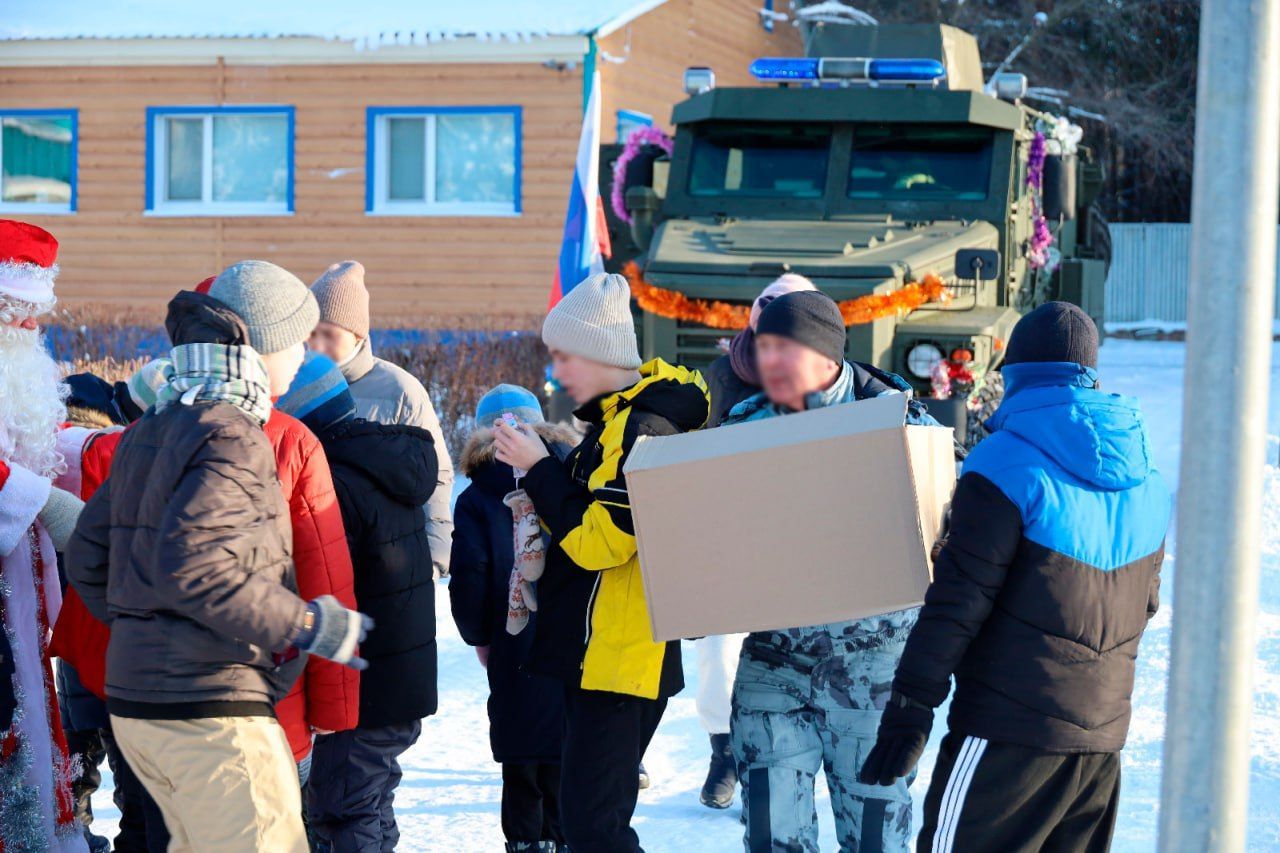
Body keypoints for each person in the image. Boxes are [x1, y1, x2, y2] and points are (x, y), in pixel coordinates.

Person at [66, 261, 371, 852]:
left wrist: (144, 630)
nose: (307, 358)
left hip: (140, 707)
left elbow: (88, 553)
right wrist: (314, 629)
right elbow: (229, 569)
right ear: (261, 347)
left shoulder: (150, 425)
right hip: (219, 707)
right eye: (299, 343)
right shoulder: (243, 433)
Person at [860, 302, 1171, 853]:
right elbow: (1144, 604)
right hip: (1100, 746)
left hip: (1006, 736)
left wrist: (910, 710)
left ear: (1016, 375)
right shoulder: (1147, 477)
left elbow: (957, 604)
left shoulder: (1003, 462)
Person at [492, 272, 710, 853]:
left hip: (619, 656)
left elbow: (602, 542)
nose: (556, 372)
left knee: (595, 829)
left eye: (563, 357)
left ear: (596, 351)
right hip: (600, 653)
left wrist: (539, 469)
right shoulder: (617, 420)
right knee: (587, 819)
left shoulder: (645, 427)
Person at [721, 290, 936, 852]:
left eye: (781, 347)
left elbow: (943, 537)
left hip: (872, 674)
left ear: (824, 353)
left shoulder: (903, 423)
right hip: (774, 667)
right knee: (773, 837)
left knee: (875, 840)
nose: (766, 361)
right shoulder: (741, 428)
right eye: (761, 346)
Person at [277, 352, 439, 851]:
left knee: (344, 810)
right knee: (369, 803)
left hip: (365, 686)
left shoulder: (337, 485)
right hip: (399, 679)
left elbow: (322, 583)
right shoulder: (388, 460)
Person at [695, 272, 816, 810]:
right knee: (718, 653)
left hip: (801, 536)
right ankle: (724, 750)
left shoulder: (826, 375)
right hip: (731, 530)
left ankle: (780, 765)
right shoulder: (722, 374)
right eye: (762, 305)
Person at [450, 384, 580, 852]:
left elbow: (470, 575)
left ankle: (526, 843)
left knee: (522, 762)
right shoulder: (568, 473)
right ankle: (563, 839)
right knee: (566, 756)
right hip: (573, 645)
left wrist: (478, 636)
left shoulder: (477, 495)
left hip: (512, 644)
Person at [0, 219, 87, 850]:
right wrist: (42, 502)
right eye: (15, 316)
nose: (29, 331)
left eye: (35, 316)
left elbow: (38, 448)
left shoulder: (19, 372)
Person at [308, 260, 455, 577]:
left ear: (358, 334)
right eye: (312, 334)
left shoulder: (400, 390)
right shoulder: (294, 385)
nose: (318, 346)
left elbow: (435, 474)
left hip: (389, 561)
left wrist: (434, 553)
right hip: (316, 556)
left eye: (330, 335)